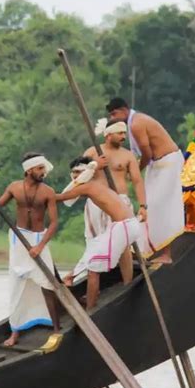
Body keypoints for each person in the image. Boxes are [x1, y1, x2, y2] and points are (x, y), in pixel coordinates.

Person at [0, 152, 60, 347]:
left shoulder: (48, 191)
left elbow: (54, 222)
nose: (43, 172)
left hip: (39, 239)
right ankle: (15, 332)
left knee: (48, 284)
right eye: (40, 168)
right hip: (18, 238)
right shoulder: (14, 187)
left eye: (44, 168)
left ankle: (56, 329)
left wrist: (40, 246)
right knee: (16, 285)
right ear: (29, 170)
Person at [105, 97, 184, 263]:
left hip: (167, 162)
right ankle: (144, 250)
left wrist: (134, 171)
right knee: (146, 206)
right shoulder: (131, 124)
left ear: (125, 110)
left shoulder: (136, 123)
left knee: (158, 205)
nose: (113, 118)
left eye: (114, 114)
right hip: (156, 165)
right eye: (110, 116)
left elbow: (146, 154)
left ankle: (166, 254)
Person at [55, 159, 142, 309]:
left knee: (94, 270)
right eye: (74, 174)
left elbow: (60, 198)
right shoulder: (94, 186)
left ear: (87, 174)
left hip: (124, 227)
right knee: (94, 255)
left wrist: (37, 194)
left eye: (79, 174)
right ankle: (73, 276)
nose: (75, 177)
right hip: (127, 226)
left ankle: (90, 308)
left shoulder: (88, 187)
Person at [83, 119, 148, 279]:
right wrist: (94, 165)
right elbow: (77, 175)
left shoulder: (128, 155)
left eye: (125, 133)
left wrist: (143, 205)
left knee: (124, 244)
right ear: (108, 134)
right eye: (120, 133)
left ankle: (127, 282)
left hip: (120, 203)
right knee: (96, 242)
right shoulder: (92, 152)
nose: (123, 136)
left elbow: (137, 181)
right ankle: (94, 281)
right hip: (97, 203)